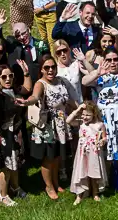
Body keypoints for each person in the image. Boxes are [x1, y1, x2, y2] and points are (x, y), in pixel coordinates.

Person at [17, 57, 79, 199]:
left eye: (53, 67)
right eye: (47, 68)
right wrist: (26, 102)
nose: (50, 70)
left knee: (57, 156)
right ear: (42, 70)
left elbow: (68, 100)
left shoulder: (61, 81)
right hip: (48, 126)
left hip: (61, 124)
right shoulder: (40, 84)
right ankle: (49, 186)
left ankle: (56, 183)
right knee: (48, 158)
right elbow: (34, 97)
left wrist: (80, 107)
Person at [82, 47, 118, 191]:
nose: (113, 62)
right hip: (104, 119)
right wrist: (97, 72)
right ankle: (105, 180)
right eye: (109, 60)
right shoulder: (100, 76)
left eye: (115, 59)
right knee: (105, 150)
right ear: (104, 60)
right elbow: (84, 82)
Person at [0, 64, 31, 206]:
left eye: (10, 76)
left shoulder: (14, 90)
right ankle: (3, 196)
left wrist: (26, 73)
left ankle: (15, 187)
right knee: (5, 166)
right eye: (4, 77)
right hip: (1, 137)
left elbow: (28, 88)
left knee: (14, 163)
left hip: (14, 133)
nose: (8, 79)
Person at [67, 102, 108, 205]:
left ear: (94, 114)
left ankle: (95, 193)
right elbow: (68, 121)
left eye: (88, 115)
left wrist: (102, 141)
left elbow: (105, 137)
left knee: (93, 172)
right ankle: (79, 195)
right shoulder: (81, 123)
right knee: (81, 171)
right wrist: (78, 109)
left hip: (94, 152)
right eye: (83, 114)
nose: (84, 117)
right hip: (82, 153)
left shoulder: (100, 124)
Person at [0, 11, 49, 84]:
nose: (22, 37)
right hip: (18, 85)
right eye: (18, 36)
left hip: (39, 84)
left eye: (24, 33)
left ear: (29, 30)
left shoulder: (41, 45)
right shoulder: (12, 45)